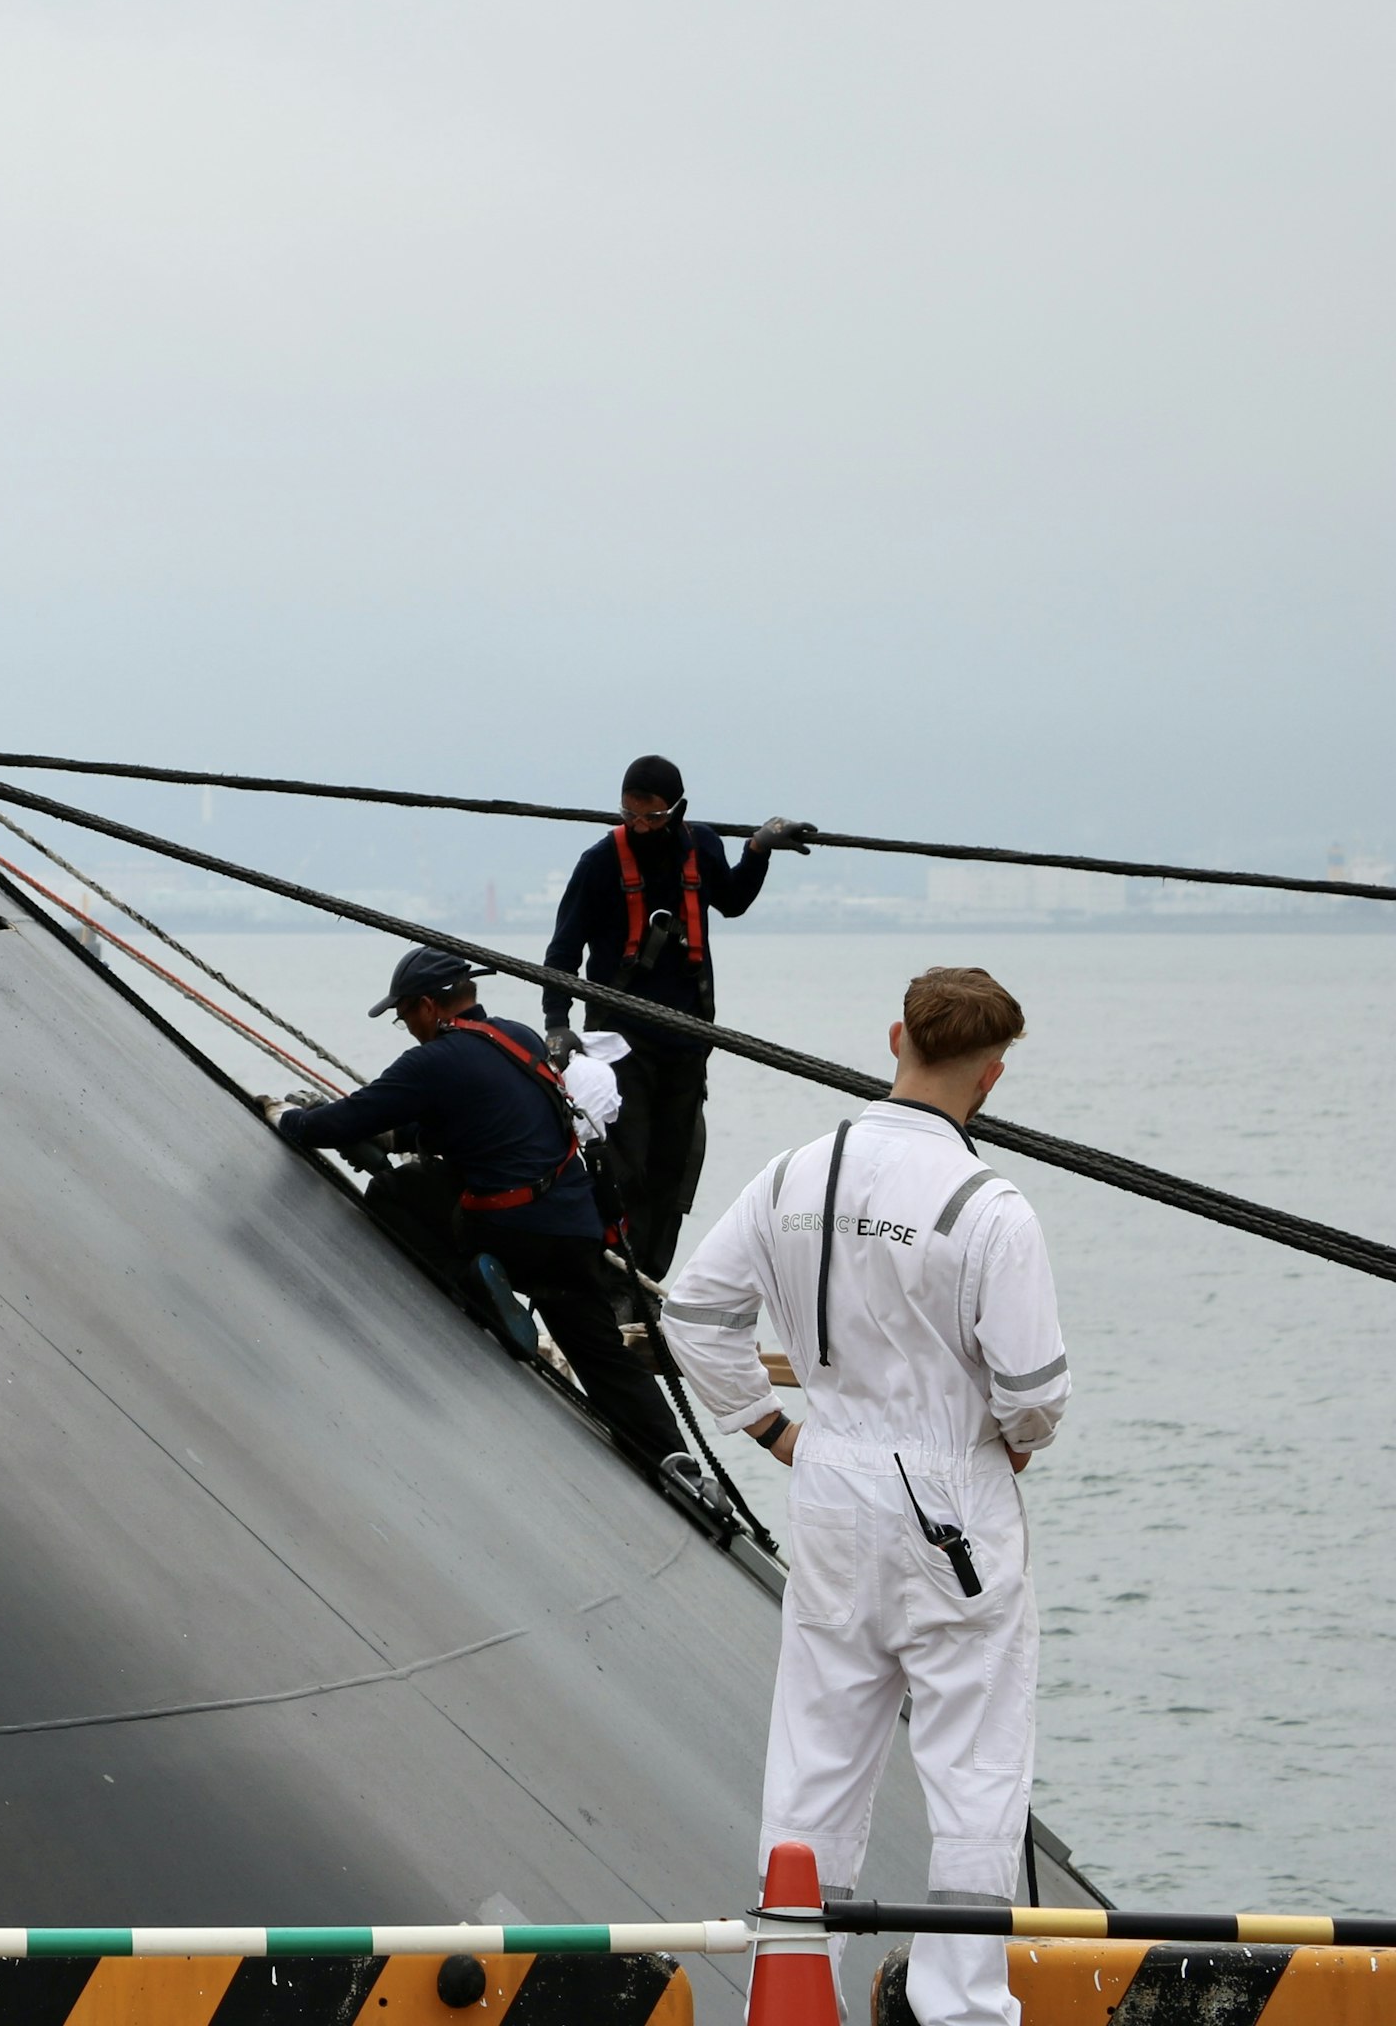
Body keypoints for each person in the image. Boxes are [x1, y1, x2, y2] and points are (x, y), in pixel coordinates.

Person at [662, 968, 1065, 2026]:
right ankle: (960, 2005)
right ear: (994, 1072)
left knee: (820, 1736)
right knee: (974, 1756)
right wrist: (1011, 1446)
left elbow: (696, 1310)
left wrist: (769, 1425)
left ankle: (795, 1988)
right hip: (952, 1488)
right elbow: (1035, 1389)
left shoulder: (799, 1170)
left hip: (832, 1476)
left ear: (896, 1036)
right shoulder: (992, 1207)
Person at [269, 946, 683, 1467]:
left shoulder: (433, 1061)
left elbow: (336, 1125)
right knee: (602, 1353)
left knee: (393, 1195)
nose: (408, 1027)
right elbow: (479, 1122)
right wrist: (402, 1135)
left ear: (426, 1006)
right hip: (576, 1231)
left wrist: (285, 1116)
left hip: (511, 1230)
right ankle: (676, 1461)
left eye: (404, 1017)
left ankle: (478, 1289)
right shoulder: (521, 1038)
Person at [542, 754, 814, 1275]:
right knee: (627, 1167)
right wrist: (557, 1023)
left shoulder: (702, 846)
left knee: (672, 1172)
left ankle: (647, 1280)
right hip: (622, 1042)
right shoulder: (599, 864)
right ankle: (613, 1278)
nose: (640, 828)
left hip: (688, 1041)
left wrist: (758, 849)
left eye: (652, 817)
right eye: (629, 816)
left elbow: (731, 902)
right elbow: (562, 954)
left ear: (677, 810)